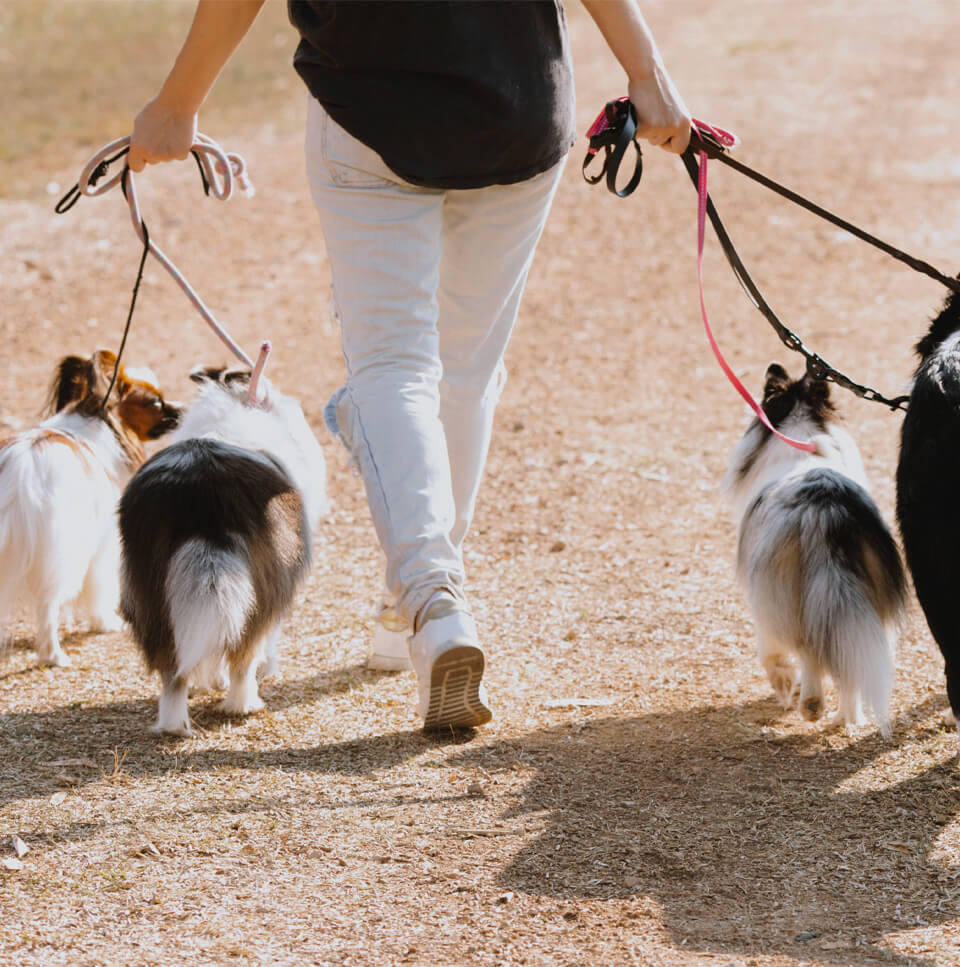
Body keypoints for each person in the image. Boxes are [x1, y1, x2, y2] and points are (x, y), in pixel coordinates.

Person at [129, 0, 691, 730]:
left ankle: (432, 600)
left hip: (370, 109)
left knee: (395, 371)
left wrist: (177, 104)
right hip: (516, 104)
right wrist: (646, 72)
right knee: (465, 371)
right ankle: (417, 605)